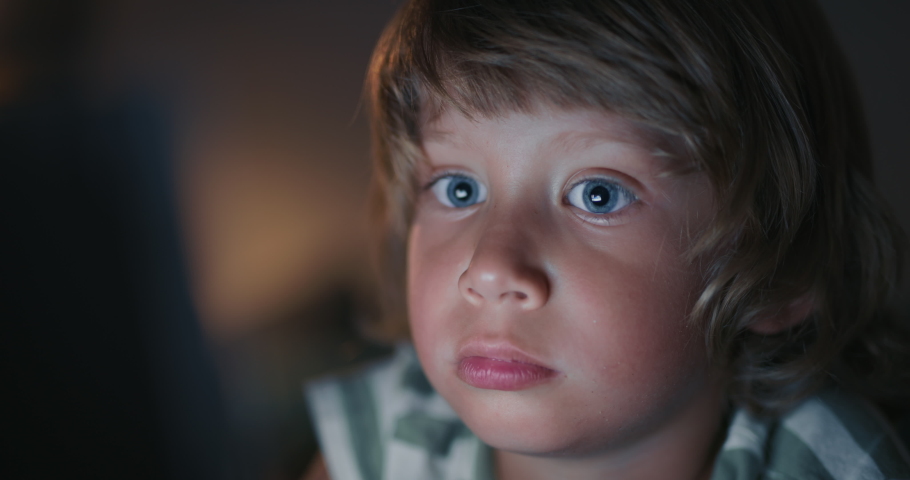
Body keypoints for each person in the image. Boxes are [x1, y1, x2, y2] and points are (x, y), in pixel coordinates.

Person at [304, 0, 910, 478]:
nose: (490, 268)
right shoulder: (381, 443)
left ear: (783, 271)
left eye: (599, 194)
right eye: (459, 189)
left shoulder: (836, 463)